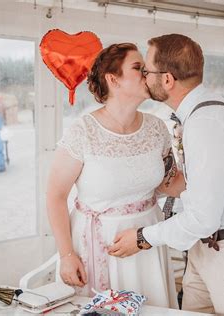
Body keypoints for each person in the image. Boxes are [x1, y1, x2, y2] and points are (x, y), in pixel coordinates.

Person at [108, 34, 224, 315]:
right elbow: (205, 189)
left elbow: (203, 218)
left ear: (167, 79)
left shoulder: (206, 122)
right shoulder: (197, 116)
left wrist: (143, 237)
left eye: (147, 71)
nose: (144, 76)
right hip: (207, 246)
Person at [46, 43, 182, 308]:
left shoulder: (157, 128)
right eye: (137, 68)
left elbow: (171, 183)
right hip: (97, 244)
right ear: (113, 78)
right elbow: (55, 196)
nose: (147, 74)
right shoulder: (83, 131)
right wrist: (66, 255)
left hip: (147, 240)